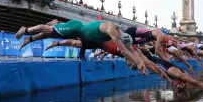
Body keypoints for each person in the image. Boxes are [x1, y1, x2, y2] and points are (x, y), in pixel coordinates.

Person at [15, 19, 147, 75]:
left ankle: (29, 38)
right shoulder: (112, 30)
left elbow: (131, 50)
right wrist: (137, 62)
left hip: (82, 35)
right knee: (48, 30)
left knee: (49, 34)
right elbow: (124, 50)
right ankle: (26, 30)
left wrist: (141, 64)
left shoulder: (122, 36)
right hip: (77, 27)